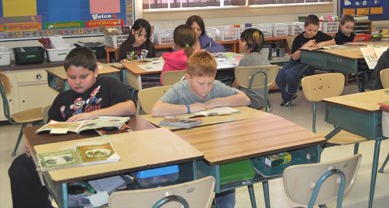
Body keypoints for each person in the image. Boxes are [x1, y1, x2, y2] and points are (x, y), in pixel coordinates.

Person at [8, 47, 136, 208]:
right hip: (72, 152)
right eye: (71, 77)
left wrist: (91, 115)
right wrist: (34, 145)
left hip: (109, 149)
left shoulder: (109, 84)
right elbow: (50, 129)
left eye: (83, 77)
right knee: (21, 166)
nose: (77, 82)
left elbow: (130, 107)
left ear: (95, 71)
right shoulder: (63, 99)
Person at [152, 51, 250, 208]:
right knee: (195, 187)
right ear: (188, 77)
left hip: (214, 146)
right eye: (201, 84)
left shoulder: (215, 88)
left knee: (226, 183)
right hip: (186, 149)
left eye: (210, 83)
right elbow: (157, 109)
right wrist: (189, 108)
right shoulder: (180, 89)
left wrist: (216, 101)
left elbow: (244, 99)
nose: (206, 89)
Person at [276, 14, 334, 107]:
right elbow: (294, 57)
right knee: (279, 75)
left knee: (290, 74)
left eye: (315, 30)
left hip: (308, 63)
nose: (312, 33)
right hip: (296, 60)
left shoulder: (319, 35)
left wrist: (319, 44)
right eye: (309, 30)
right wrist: (305, 46)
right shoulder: (299, 38)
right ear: (304, 27)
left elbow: (332, 41)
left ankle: (290, 95)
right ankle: (288, 96)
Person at [233, 28, 271, 110]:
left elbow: (236, 84)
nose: (239, 42)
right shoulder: (263, 59)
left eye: (242, 40)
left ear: (250, 43)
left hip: (248, 100)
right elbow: (272, 83)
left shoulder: (246, 60)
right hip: (262, 100)